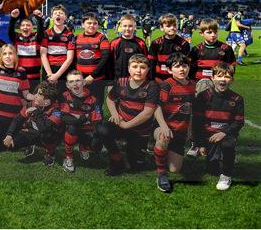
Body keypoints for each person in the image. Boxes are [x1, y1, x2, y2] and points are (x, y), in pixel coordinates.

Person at [98, 54, 159, 176]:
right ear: (129, 68)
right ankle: (117, 160)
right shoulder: (121, 82)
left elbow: (147, 113)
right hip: (120, 123)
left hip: (139, 130)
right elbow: (110, 99)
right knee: (101, 129)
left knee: (136, 167)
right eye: (135, 66)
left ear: (148, 69)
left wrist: (126, 125)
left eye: (142, 67)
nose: (138, 70)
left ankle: (134, 153)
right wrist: (115, 114)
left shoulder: (152, 86)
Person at [192, 62, 244, 191]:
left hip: (226, 134)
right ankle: (216, 158)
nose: (223, 80)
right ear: (212, 78)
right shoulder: (203, 96)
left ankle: (226, 175)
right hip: (208, 135)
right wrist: (200, 144)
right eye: (219, 76)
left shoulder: (237, 99)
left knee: (228, 145)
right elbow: (197, 122)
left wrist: (224, 132)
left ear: (232, 80)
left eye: (227, 77)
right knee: (212, 170)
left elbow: (238, 122)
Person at [152, 53, 196, 193]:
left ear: (189, 67)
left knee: (175, 170)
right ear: (170, 70)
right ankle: (161, 175)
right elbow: (157, 107)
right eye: (177, 67)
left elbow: (193, 110)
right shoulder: (167, 85)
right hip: (164, 125)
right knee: (163, 137)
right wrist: (164, 126)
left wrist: (190, 129)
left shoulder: (193, 85)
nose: (181, 69)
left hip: (181, 130)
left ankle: (162, 153)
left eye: (184, 65)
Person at [3, 81, 62, 166]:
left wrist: (37, 112)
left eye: (39, 95)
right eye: (37, 93)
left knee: (48, 135)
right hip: (33, 130)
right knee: (11, 146)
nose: (35, 96)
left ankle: (50, 153)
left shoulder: (56, 110)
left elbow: (44, 128)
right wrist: (9, 135)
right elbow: (18, 119)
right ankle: (30, 144)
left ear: (47, 101)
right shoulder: (32, 103)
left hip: (48, 134)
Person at [0, 44, 33, 150]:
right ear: (0, 56)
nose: (7, 56)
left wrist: (36, 97)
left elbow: (26, 94)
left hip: (15, 116)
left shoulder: (21, 72)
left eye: (10, 53)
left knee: (13, 147)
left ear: (15, 56)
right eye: (4, 53)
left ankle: (28, 140)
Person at [61, 70, 103, 172]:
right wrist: (83, 118)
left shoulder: (93, 99)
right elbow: (64, 117)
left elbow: (97, 119)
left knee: (97, 145)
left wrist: (97, 135)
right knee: (72, 128)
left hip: (87, 129)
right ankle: (68, 156)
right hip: (71, 128)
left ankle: (83, 146)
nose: (75, 84)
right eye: (71, 82)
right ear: (67, 85)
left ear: (83, 82)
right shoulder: (64, 96)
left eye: (78, 81)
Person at [74, 12, 109, 108]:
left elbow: (105, 58)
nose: (92, 25)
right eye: (89, 23)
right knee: (80, 104)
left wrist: (92, 75)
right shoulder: (76, 38)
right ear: (82, 25)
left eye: (95, 23)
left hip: (96, 79)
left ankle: (97, 122)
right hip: (80, 79)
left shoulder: (102, 38)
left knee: (97, 104)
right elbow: (73, 58)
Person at [40, 5, 75, 92]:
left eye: (61, 13)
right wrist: (49, 74)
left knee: (64, 99)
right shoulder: (46, 33)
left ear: (65, 17)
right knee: (47, 99)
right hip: (49, 70)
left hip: (64, 70)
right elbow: (43, 55)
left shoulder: (70, 35)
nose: (58, 15)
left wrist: (57, 75)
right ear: (52, 17)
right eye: (55, 13)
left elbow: (70, 58)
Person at [8, 9, 44, 92]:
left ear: (32, 27)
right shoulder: (16, 38)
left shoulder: (36, 38)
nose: (25, 27)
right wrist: (13, 18)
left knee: (33, 101)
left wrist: (39, 19)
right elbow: (10, 31)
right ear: (20, 27)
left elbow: (41, 31)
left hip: (35, 77)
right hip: (20, 76)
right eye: (23, 25)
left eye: (28, 25)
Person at [148, 13, 190, 82]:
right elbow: (151, 63)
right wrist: (151, 79)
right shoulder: (156, 43)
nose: (172, 28)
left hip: (177, 80)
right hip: (159, 79)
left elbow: (186, 64)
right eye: (168, 26)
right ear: (161, 28)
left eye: (174, 25)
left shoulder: (184, 44)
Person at [109, 14, 148, 79]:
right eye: (125, 26)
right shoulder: (114, 43)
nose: (127, 28)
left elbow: (146, 62)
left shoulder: (141, 43)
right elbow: (109, 63)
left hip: (137, 79)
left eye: (130, 26)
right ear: (120, 27)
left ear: (135, 27)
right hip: (118, 79)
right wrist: (110, 79)